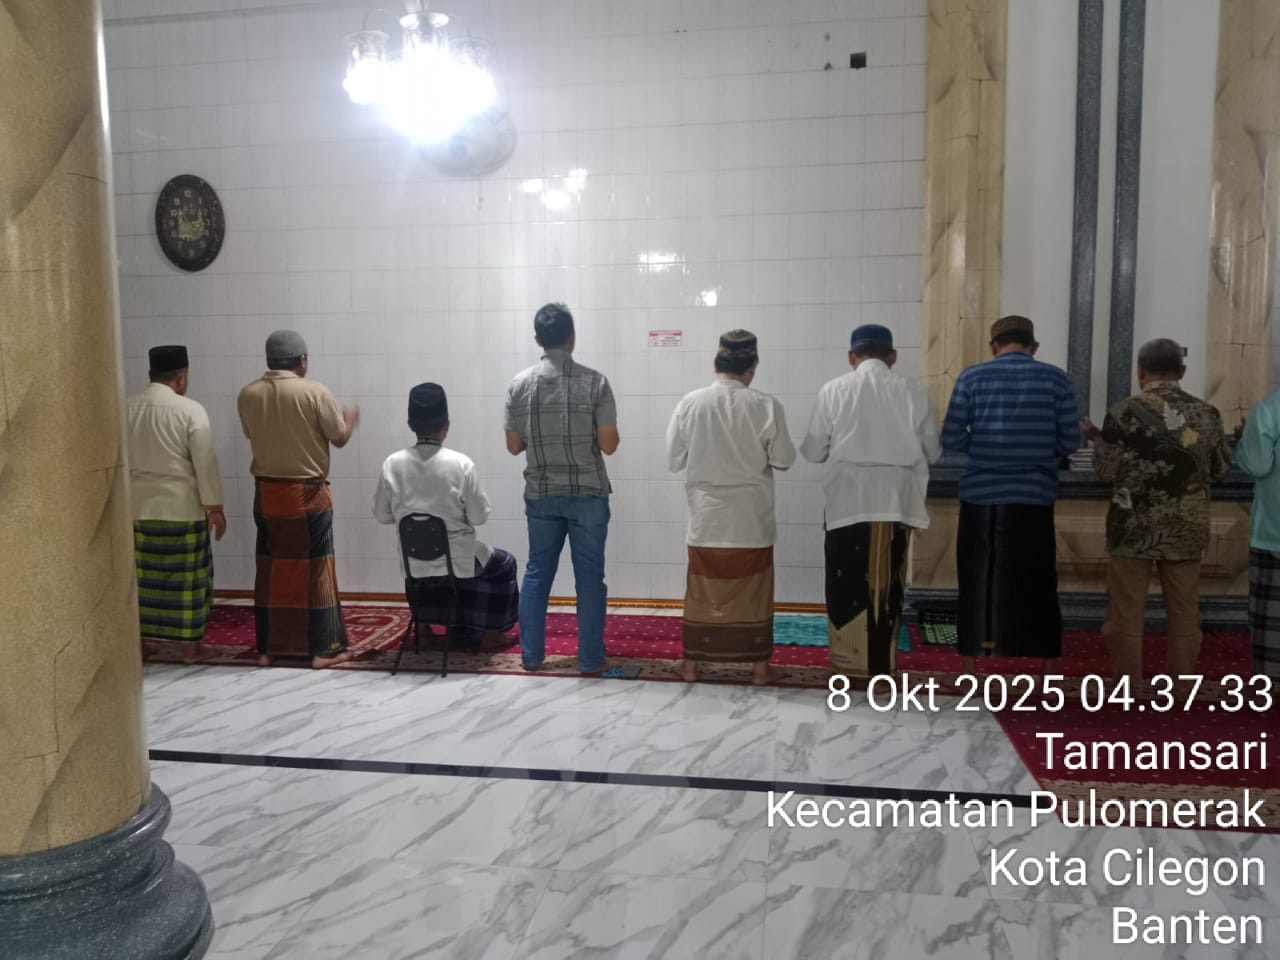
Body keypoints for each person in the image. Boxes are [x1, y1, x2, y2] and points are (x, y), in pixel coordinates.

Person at [1082, 339, 1230, 686]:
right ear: (1182, 371)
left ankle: (1127, 685)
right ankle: (1180, 686)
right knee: (1184, 610)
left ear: (1141, 371)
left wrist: (1098, 440)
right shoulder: (1207, 413)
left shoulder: (1122, 411)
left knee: (1126, 610)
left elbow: (1107, 471)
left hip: (1132, 528)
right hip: (1187, 527)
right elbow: (1221, 469)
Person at [940, 315, 1079, 674]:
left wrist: (984, 449)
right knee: (1039, 581)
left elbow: (951, 437)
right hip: (1034, 496)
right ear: (1033, 346)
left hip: (981, 497)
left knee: (977, 580)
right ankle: (1046, 667)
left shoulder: (971, 377)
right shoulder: (1057, 379)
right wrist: (1037, 450)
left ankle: (972, 665)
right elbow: (1070, 441)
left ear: (994, 347)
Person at [801, 324, 940, 677]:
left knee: (844, 581)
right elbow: (933, 451)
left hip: (846, 502)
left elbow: (814, 451)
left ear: (852, 357)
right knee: (886, 585)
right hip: (895, 502)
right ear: (892, 356)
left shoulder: (833, 390)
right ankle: (881, 670)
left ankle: (845, 665)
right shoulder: (914, 391)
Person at [666, 330, 795, 684]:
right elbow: (784, 461)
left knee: (702, 593)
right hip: (751, 522)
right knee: (754, 595)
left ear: (715, 364)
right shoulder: (766, 405)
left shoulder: (690, 403)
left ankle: (691, 667)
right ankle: (759, 670)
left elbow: (673, 460)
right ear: (752, 367)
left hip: (707, 520)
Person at [504, 303, 619, 674]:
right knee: (590, 579)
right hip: (588, 494)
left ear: (537, 339)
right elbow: (609, 445)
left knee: (537, 572)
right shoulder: (596, 383)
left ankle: (531, 657)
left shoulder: (519, 386)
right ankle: (589, 659)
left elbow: (513, 446)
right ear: (572, 338)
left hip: (541, 492)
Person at [237, 330, 358, 668]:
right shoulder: (314, 392)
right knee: (318, 570)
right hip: (307, 493)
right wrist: (349, 420)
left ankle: (268, 649)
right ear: (302, 361)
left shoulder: (248, 394)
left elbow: (250, 433)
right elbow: (339, 437)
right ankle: (324, 649)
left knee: (271, 569)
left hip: (266, 494)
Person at [373, 383, 518, 649]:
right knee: (504, 563)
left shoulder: (391, 464)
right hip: (458, 561)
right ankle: (490, 635)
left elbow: (382, 515)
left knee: (422, 573)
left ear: (410, 424)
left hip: (413, 562)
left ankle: (424, 629)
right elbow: (479, 517)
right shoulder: (461, 464)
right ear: (446, 425)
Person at [125, 345, 226, 663]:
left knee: (143, 581)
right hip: (182, 510)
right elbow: (204, 462)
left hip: (138, 510)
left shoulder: (127, 409)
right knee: (190, 581)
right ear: (181, 377)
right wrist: (214, 506)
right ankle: (191, 649)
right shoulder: (190, 410)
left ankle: (140, 644)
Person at [1233, 389, 1280, 681]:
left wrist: (1243, 442)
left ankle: (1273, 680)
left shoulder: (1270, 408)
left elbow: (1257, 464)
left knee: (1272, 617)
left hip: (1275, 529)